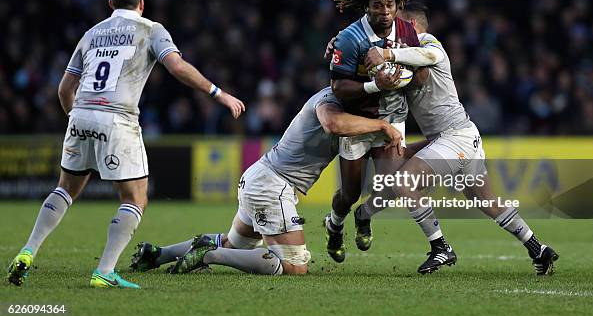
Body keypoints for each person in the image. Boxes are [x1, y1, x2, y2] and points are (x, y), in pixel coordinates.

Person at [6, 0, 245, 289]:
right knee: (135, 197)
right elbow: (177, 67)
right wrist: (219, 93)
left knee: (65, 189)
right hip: (117, 119)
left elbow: (65, 89)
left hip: (80, 114)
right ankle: (104, 271)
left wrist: (78, 120)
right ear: (142, 4)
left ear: (110, 3)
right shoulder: (151, 30)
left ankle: (27, 250)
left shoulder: (91, 33)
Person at [356, 2, 559, 275]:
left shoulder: (430, 44)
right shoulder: (406, 53)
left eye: (399, 24)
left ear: (413, 26)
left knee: (404, 182)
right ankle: (538, 248)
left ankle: (440, 247)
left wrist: (386, 53)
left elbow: (424, 58)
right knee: (486, 201)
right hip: (457, 136)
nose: (394, 30)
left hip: (455, 137)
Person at [130, 87, 403, 275]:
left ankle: (157, 254)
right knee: (294, 265)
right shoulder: (329, 100)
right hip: (273, 185)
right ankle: (208, 254)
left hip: (260, 177)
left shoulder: (352, 107)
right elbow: (334, 125)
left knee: (235, 245)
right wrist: (382, 125)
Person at [321, 0, 455, 273]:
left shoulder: (407, 32)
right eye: (378, 6)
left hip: (393, 122)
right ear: (366, 8)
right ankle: (334, 223)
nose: (384, 11)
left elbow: (421, 78)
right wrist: (375, 85)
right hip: (358, 122)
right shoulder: (350, 38)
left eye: (390, 6)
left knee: (391, 184)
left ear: (398, 6)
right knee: (350, 193)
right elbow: (338, 87)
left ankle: (364, 217)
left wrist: (398, 69)